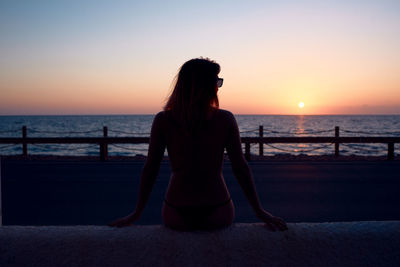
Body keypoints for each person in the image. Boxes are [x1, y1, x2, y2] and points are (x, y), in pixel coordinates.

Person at [109, 58, 288, 231]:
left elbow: (151, 169)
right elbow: (240, 167)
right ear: (206, 86)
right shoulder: (225, 119)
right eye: (216, 81)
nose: (218, 87)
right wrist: (259, 212)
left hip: (176, 210)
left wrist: (136, 213)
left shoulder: (163, 120)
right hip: (218, 208)